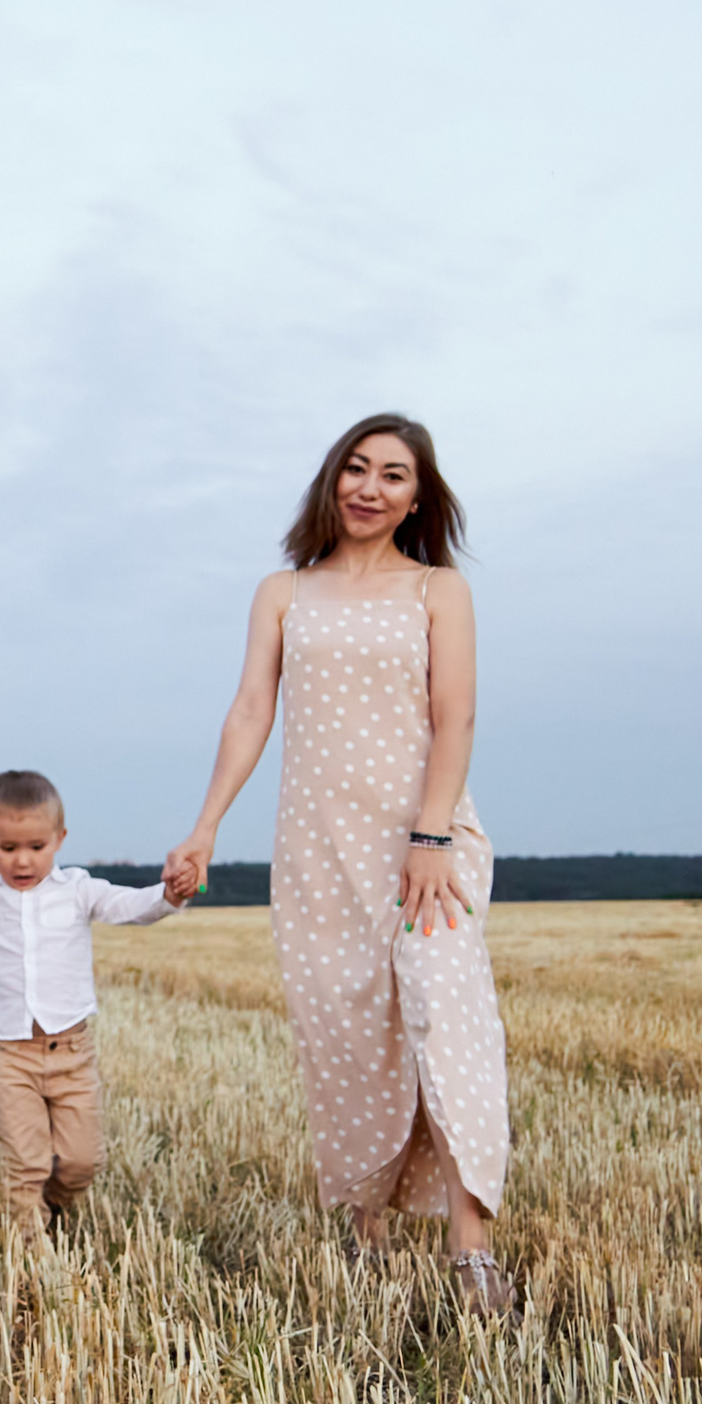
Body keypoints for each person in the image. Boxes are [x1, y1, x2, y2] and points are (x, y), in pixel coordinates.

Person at [163, 413, 517, 1317]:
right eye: (355, 468)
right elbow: (251, 710)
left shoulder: (438, 590)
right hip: (318, 850)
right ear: (331, 480)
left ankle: (471, 1244)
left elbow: (457, 715)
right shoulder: (283, 591)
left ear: (417, 497)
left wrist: (432, 835)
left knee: (449, 1016)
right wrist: (205, 826)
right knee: (350, 1037)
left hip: (424, 844)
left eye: (393, 475)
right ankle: (366, 1231)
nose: (369, 487)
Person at [0, 771, 191, 1242]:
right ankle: (30, 1254)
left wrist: (170, 895)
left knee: (81, 1162)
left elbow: (130, 905)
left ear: (60, 839)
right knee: (26, 1162)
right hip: (10, 1056)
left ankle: (54, 1208)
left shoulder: (77, 890)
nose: (23, 860)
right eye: (8, 848)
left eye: (36, 845)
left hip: (73, 1053)